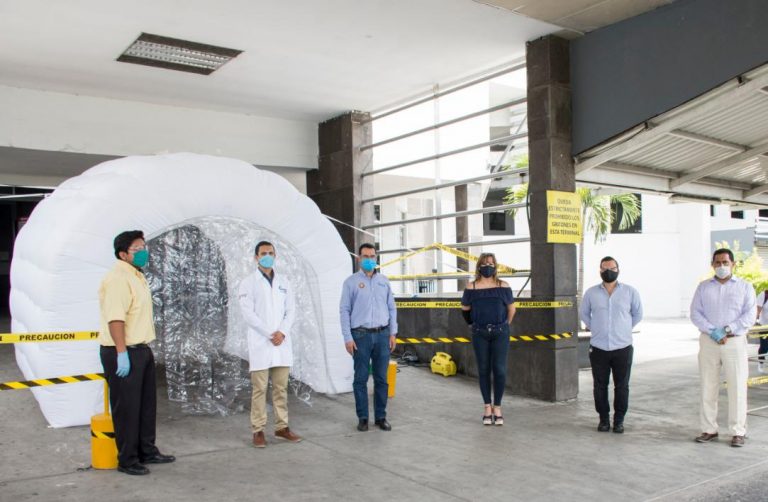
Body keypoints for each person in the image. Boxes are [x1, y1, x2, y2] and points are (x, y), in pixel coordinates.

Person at [98, 230, 175, 476]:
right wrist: (122, 353)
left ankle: (146, 450)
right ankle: (128, 459)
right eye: (137, 249)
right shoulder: (118, 278)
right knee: (127, 408)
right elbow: (116, 319)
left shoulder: (136, 275)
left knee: (145, 405)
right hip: (124, 351)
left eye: (144, 247)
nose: (143, 252)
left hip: (141, 349)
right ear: (123, 254)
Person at [238, 241, 301, 448]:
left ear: (276, 256)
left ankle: (282, 427)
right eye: (263, 253)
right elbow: (248, 314)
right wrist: (269, 333)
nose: (267, 256)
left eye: (271, 253)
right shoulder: (248, 283)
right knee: (260, 389)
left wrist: (281, 332)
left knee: (281, 388)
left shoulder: (284, 282)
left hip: (281, 343)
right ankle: (258, 430)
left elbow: (290, 310)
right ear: (256, 257)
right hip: (261, 342)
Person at [691, 248, 755, 447]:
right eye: (717, 263)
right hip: (709, 341)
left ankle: (738, 431)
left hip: (734, 342)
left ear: (733, 264)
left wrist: (727, 330)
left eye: (725, 262)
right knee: (708, 386)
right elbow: (695, 313)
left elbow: (749, 315)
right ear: (712, 265)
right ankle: (709, 429)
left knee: (737, 386)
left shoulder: (745, 287)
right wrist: (714, 331)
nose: (721, 266)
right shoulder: (703, 288)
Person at [580, 256, 643, 434]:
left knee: (622, 385)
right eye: (605, 268)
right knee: (600, 386)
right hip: (599, 347)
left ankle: (619, 420)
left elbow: (638, 314)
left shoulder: (630, 292)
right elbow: (584, 314)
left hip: (622, 347)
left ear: (618, 269)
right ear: (600, 271)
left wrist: (623, 328)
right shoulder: (591, 293)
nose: (609, 271)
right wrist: (597, 328)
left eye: (612, 268)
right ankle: (604, 419)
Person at [340, 243, 398, 432]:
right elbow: (344, 310)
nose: (369, 260)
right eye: (365, 257)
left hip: (382, 335)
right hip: (361, 336)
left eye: (372, 256)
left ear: (376, 258)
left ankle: (381, 417)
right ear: (359, 259)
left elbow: (392, 308)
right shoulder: (350, 282)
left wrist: (393, 333)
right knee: (361, 379)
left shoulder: (384, 281)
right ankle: (363, 417)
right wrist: (348, 337)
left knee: (381, 379)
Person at [460, 253, 516, 426]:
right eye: (484, 264)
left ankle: (497, 407)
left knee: (499, 370)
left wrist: (504, 326)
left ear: (495, 266)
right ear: (479, 267)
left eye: (491, 263)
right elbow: (465, 310)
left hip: (500, 332)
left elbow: (511, 309)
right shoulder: (471, 288)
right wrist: (474, 324)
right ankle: (487, 407)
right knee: (483, 370)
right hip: (480, 333)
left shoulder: (503, 286)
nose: (488, 266)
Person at [755, 290, 768, 373]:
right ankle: (761, 363)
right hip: (764, 327)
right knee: (764, 347)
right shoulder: (764, 295)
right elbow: (757, 310)